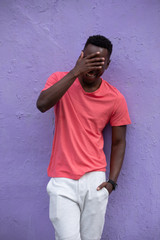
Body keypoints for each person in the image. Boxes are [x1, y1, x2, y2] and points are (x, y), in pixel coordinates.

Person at [36, 35, 131, 240]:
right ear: (81, 56)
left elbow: (119, 141)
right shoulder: (59, 80)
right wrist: (75, 71)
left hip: (95, 180)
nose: (94, 66)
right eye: (89, 59)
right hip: (62, 180)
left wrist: (111, 183)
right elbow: (42, 104)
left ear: (108, 64)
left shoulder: (115, 98)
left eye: (100, 62)